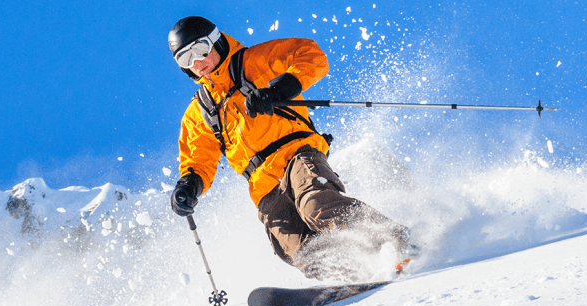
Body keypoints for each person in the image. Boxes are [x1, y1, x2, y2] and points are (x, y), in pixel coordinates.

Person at [166, 16, 414, 281]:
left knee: (316, 205)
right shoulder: (199, 112)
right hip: (263, 186)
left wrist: (279, 89)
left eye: (201, 49)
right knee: (299, 249)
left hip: (296, 155)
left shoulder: (255, 61)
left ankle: (398, 242)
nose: (197, 62)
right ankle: (357, 274)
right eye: (186, 58)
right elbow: (198, 160)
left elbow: (311, 54)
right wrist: (188, 186)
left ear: (216, 42)